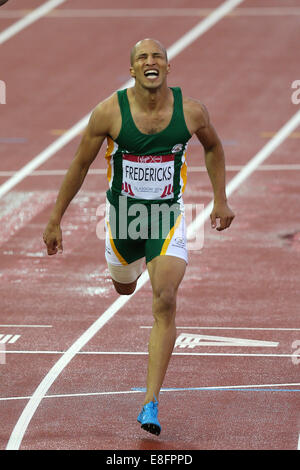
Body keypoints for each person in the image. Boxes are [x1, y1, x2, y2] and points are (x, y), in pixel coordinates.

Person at [43, 38, 235, 436]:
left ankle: (150, 401)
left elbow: (213, 147)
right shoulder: (109, 113)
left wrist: (221, 199)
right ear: (132, 70)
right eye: (143, 57)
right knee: (123, 288)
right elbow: (79, 165)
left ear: (168, 67)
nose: (151, 61)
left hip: (166, 217)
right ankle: (124, 270)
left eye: (157, 56)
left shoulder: (192, 112)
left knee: (165, 298)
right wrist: (55, 219)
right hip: (123, 221)